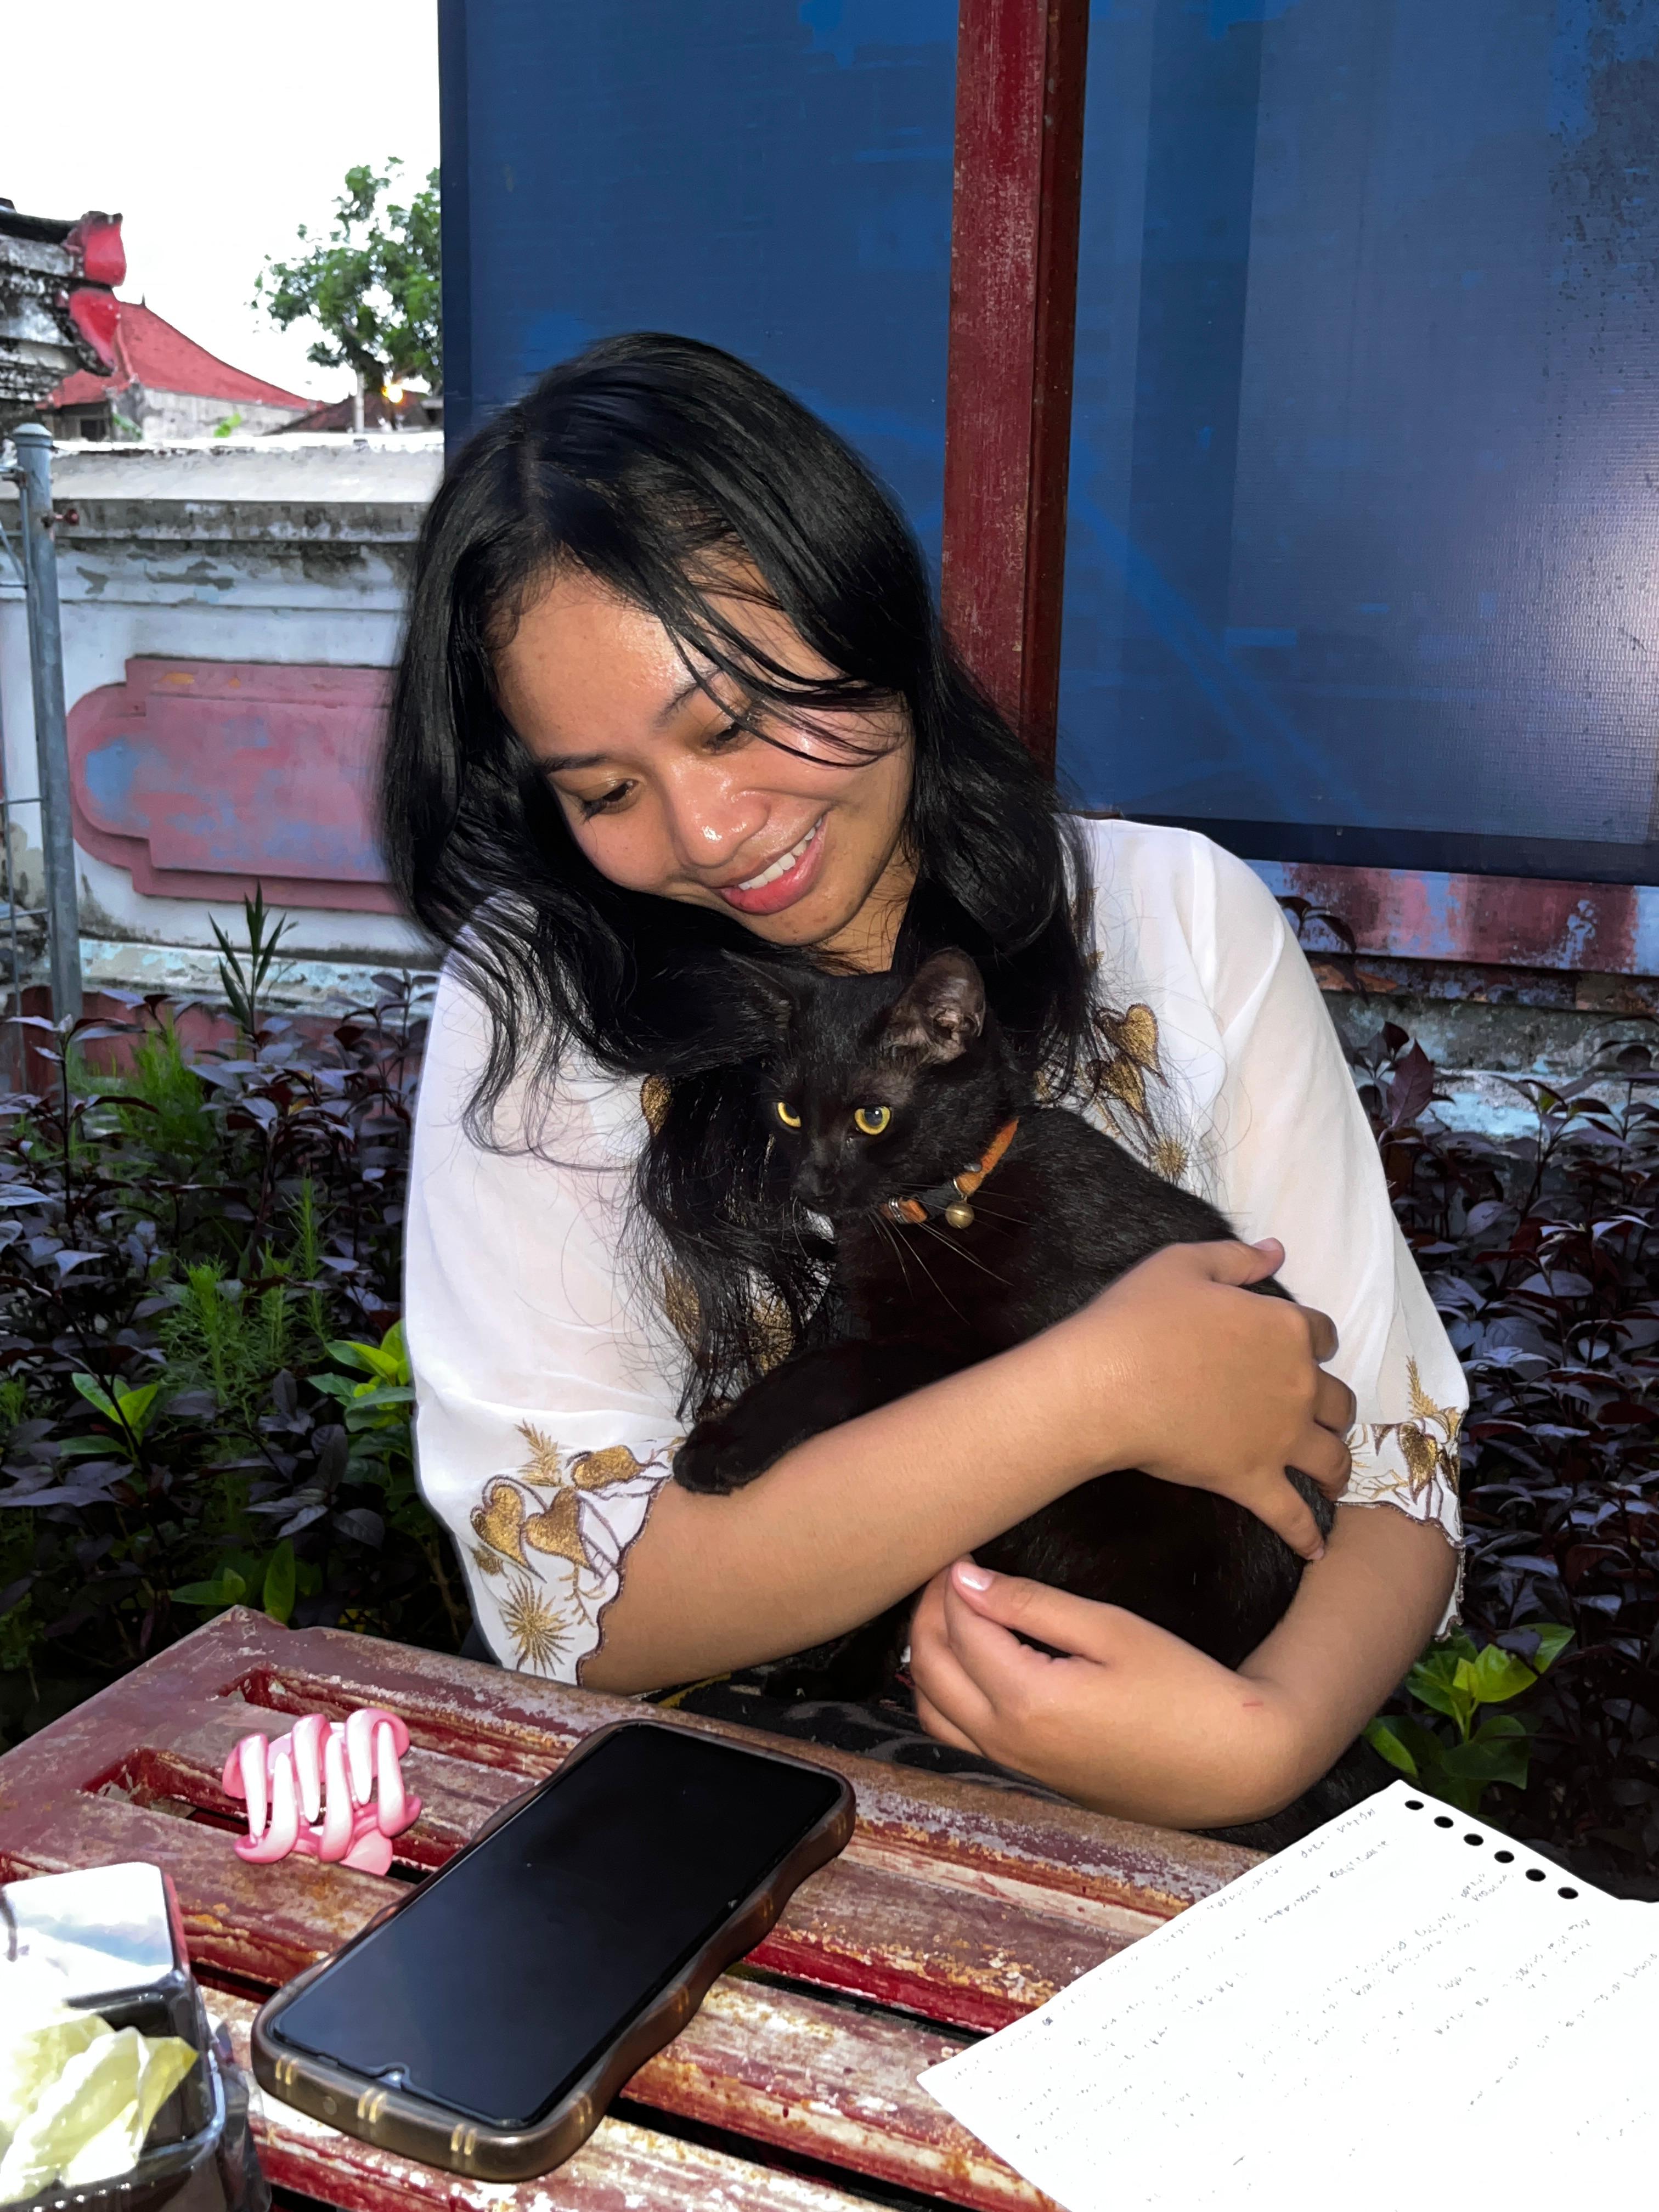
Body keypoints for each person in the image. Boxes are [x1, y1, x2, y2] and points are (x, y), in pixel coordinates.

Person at [385, 332, 1464, 1833]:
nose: (706, 830)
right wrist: (1098, 1393)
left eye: (734, 718)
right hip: (734, 1826)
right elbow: (569, 1604)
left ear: (865, 605)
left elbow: (1396, 1461)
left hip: (1197, 1791)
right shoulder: (544, 1002)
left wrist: (1263, 1739)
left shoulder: (1176, 919)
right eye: (606, 791)